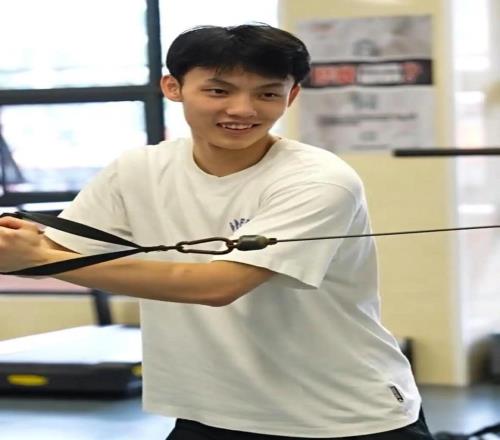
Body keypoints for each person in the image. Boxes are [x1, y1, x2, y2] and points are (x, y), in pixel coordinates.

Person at [0, 24, 434, 439]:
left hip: (348, 418)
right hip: (211, 414)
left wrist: (39, 259)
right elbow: (47, 249)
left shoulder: (319, 179)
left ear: (292, 95)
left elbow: (219, 285)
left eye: (267, 93)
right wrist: (23, 249)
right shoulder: (137, 169)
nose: (243, 109)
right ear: (173, 87)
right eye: (218, 91)